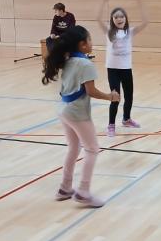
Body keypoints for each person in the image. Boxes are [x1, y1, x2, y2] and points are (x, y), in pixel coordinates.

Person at [42, 25, 119, 207]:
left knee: (74, 147)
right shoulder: (86, 64)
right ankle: (83, 192)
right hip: (77, 113)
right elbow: (91, 91)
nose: (92, 43)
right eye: (90, 39)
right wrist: (111, 97)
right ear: (83, 44)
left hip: (64, 110)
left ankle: (65, 188)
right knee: (92, 149)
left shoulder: (68, 60)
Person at [97, 0, 148, 137]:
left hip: (126, 69)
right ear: (112, 20)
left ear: (125, 18)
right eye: (116, 17)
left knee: (129, 96)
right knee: (115, 97)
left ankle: (126, 119)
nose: (119, 19)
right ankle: (111, 125)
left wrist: (140, 4)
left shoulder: (129, 31)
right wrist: (104, 1)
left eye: (121, 16)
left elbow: (145, 22)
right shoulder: (109, 31)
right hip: (113, 69)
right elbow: (98, 19)